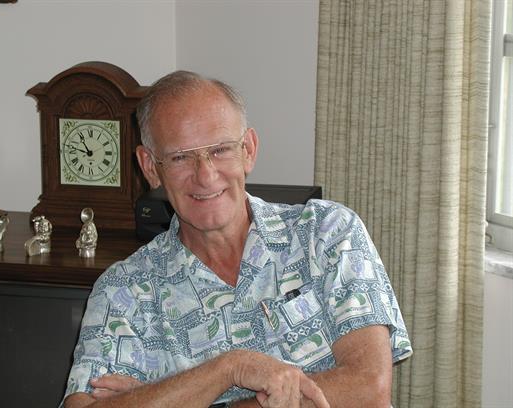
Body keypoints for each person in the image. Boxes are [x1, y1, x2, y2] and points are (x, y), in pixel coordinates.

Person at [62, 71, 412, 408]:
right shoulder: (124, 291)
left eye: (219, 150)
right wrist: (229, 368)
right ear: (150, 167)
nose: (206, 175)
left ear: (248, 150)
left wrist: (179, 398)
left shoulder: (327, 233)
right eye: (181, 157)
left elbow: (369, 391)